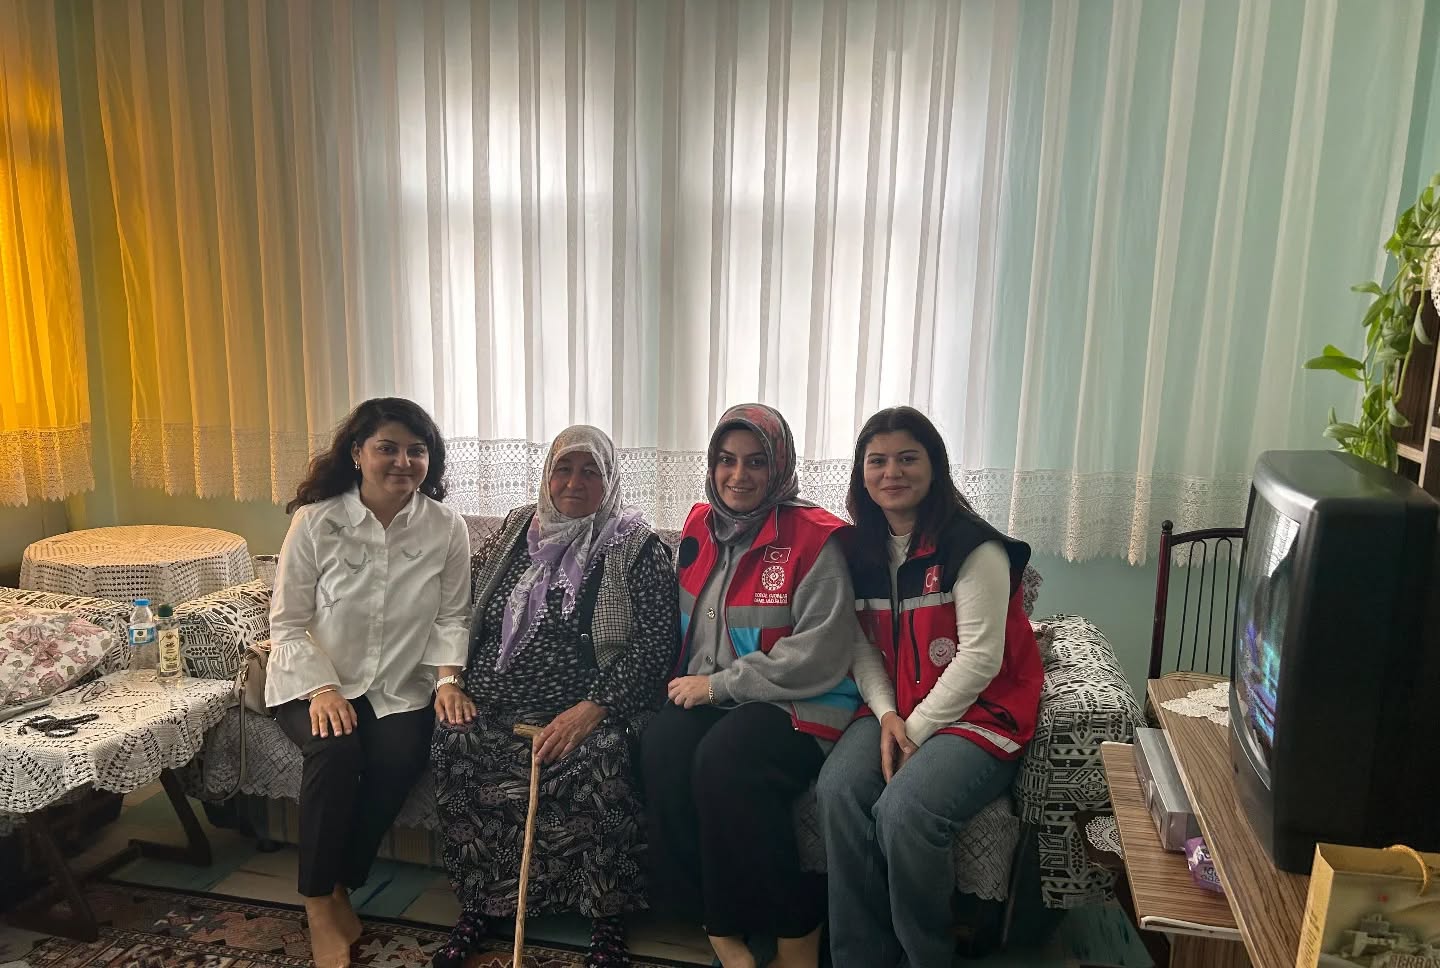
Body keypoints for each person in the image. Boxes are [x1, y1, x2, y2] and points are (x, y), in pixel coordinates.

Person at [429, 425, 678, 968]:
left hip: (592, 705)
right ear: (546, 475)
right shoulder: (517, 527)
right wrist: (450, 681)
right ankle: (482, 903)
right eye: (563, 468)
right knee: (458, 742)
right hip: (495, 700)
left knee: (601, 758)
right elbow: (463, 603)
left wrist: (593, 708)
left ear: (611, 480)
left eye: (591, 471)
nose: (574, 482)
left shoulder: (636, 546)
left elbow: (657, 645)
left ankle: (605, 916)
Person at [816, 406, 1044, 968]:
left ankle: (926, 957)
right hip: (895, 707)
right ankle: (861, 958)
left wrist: (912, 732)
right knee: (838, 790)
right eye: (877, 461)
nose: (892, 473)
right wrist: (889, 716)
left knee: (905, 811)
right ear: (861, 473)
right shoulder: (857, 551)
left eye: (907, 458)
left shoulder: (974, 546)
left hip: (981, 713)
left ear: (935, 466)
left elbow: (980, 659)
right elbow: (859, 646)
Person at [640, 403, 862, 968]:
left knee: (726, 762)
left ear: (779, 465)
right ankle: (716, 917)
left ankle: (797, 928)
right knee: (661, 747)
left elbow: (821, 653)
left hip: (803, 698)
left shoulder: (816, 538)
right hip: (717, 692)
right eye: (726, 460)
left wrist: (719, 687)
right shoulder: (700, 524)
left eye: (756, 462)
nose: (738, 476)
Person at [267, 397, 472, 968]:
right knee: (335, 749)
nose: (402, 462)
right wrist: (322, 689)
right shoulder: (316, 522)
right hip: (313, 681)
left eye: (416, 450)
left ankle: (341, 884)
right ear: (357, 453)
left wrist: (447, 680)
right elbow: (287, 623)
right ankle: (316, 902)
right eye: (387, 448)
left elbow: (452, 617)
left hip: (399, 685)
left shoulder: (445, 526)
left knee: (402, 755)